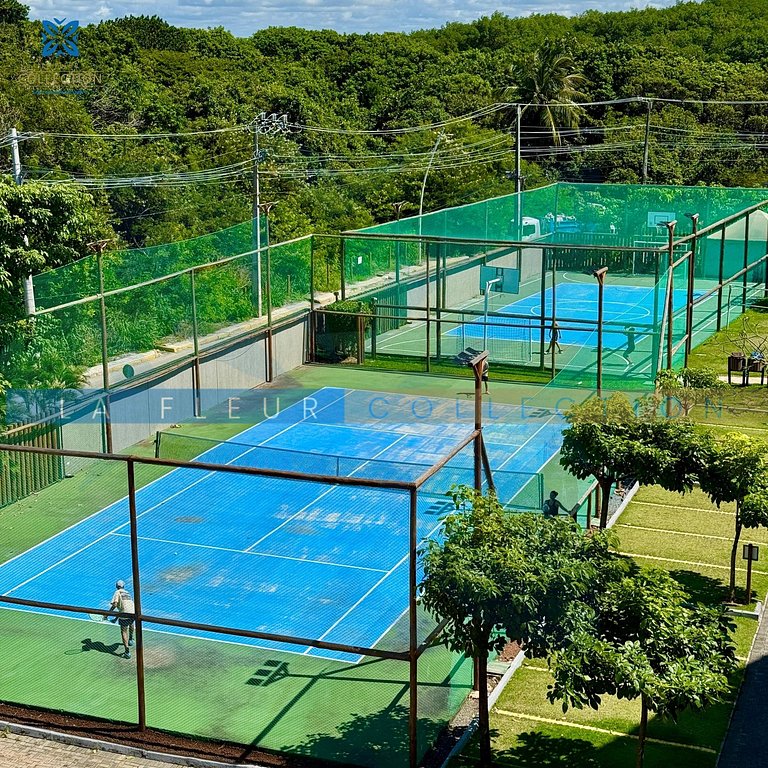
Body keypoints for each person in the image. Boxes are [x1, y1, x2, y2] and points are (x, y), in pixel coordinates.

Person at [110, 580, 135, 659]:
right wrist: (115, 618)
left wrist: (107, 613)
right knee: (131, 623)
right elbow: (125, 607)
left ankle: (127, 652)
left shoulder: (117, 592)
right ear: (124, 586)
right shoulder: (128, 593)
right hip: (133, 613)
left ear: (116, 586)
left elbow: (115, 605)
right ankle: (131, 639)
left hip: (124, 615)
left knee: (124, 631)